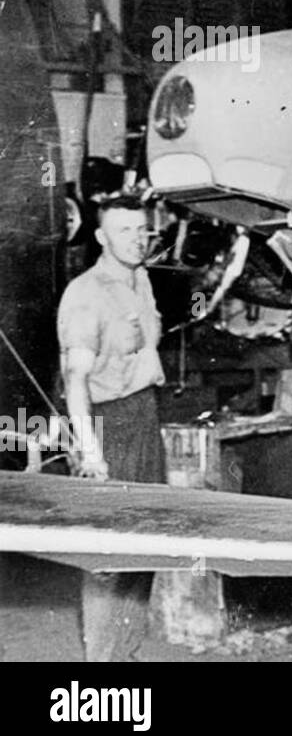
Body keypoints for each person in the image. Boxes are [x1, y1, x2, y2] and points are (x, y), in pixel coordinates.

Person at [57, 193, 166, 660]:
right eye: (125, 231)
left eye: (142, 230)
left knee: (148, 544)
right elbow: (74, 380)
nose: (137, 240)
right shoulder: (85, 295)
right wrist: (91, 453)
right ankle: (100, 668)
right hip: (106, 425)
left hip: (143, 416)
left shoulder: (139, 278)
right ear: (101, 236)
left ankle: (127, 655)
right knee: (106, 558)